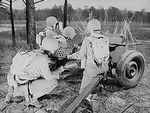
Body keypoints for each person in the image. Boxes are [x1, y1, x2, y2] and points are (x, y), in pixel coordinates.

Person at [6, 37, 64, 106]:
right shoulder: (43, 59)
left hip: (15, 79)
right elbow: (49, 77)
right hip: (22, 83)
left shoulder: (36, 52)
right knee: (53, 82)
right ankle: (31, 97)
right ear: (52, 50)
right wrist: (59, 71)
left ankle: (17, 91)